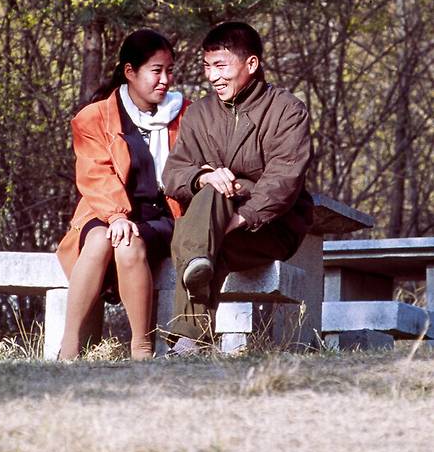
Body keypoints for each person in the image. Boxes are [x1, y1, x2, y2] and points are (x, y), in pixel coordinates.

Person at [161, 20, 313, 351]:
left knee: (199, 240)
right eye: (206, 66)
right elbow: (173, 173)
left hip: (270, 228)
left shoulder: (287, 110)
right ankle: (192, 339)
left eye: (220, 66)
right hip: (214, 227)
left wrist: (241, 218)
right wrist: (202, 176)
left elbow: (284, 179)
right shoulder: (199, 113)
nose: (212, 76)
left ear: (252, 64)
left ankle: (187, 338)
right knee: (212, 190)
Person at [56, 29, 189, 360]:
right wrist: (116, 215)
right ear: (130, 72)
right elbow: (94, 172)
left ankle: (142, 347)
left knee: (128, 244)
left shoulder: (186, 114)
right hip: (104, 210)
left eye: (170, 70)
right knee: (101, 240)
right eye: (156, 70)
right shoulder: (95, 117)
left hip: (160, 214)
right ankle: (69, 349)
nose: (165, 80)